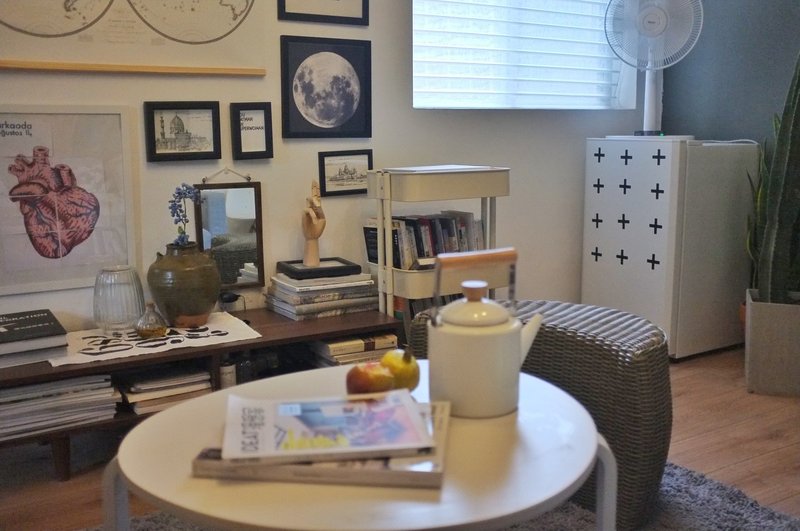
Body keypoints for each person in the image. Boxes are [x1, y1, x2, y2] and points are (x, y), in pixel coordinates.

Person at [302, 181, 326, 266]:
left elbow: (321, 219)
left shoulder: (320, 220)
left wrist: (318, 209)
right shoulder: (307, 213)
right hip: (310, 245)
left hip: (312, 243)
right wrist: (313, 215)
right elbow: (308, 212)